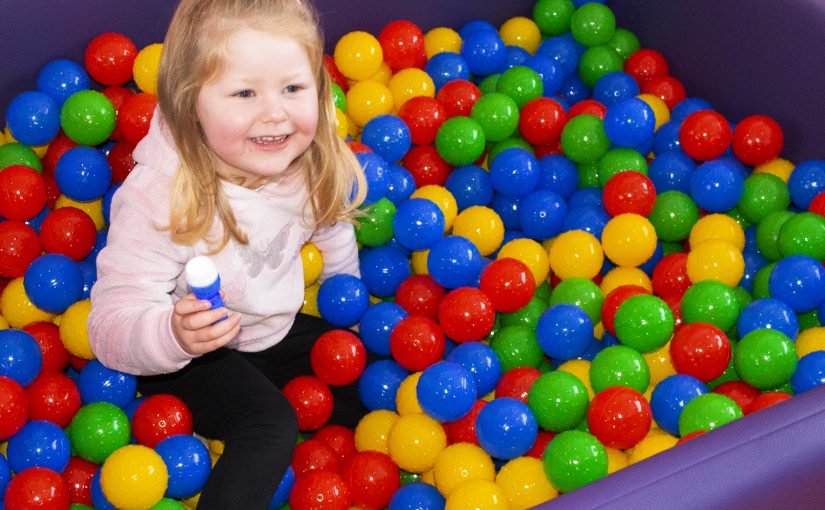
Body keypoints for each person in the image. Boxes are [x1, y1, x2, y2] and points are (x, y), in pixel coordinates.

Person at [88, 0, 368, 508]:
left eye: (293, 88)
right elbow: (108, 324)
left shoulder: (305, 152)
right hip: (186, 356)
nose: (275, 113)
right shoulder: (162, 196)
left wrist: (344, 301)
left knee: (359, 365)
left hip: (270, 330)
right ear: (188, 102)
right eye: (244, 92)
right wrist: (172, 333)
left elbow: (330, 223)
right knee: (271, 423)